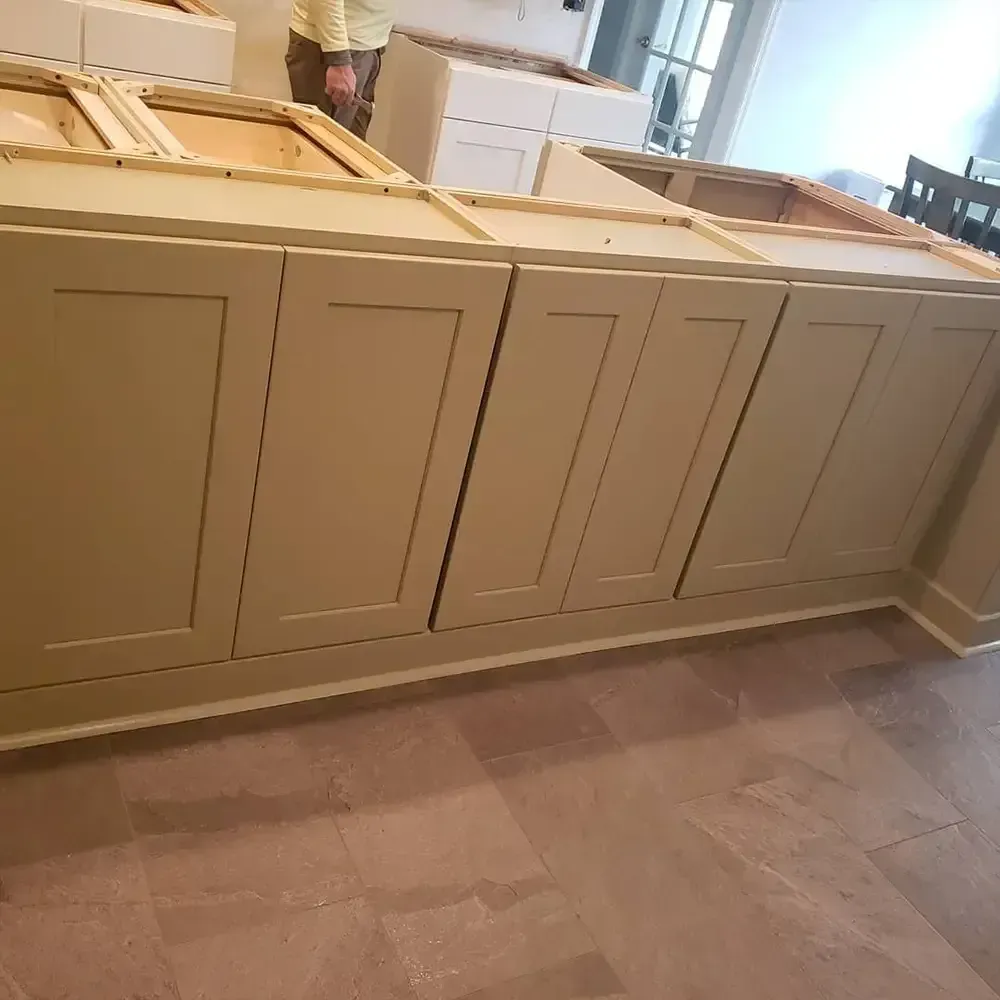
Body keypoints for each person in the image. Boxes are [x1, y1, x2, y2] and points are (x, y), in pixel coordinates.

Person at [286, 0, 394, 140]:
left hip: (364, 44)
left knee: (347, 147)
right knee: (324, 148)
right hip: (335, 50)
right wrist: (338, 60)